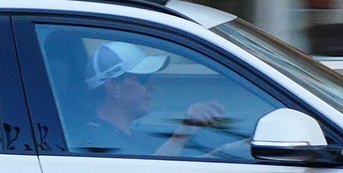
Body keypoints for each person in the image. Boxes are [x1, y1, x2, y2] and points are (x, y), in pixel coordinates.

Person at [73, 40, 231, 157]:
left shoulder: (134, 135)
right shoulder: (95, 141)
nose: (153, 86)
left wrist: (233, 149)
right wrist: (186, 128)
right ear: (113, 87)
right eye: (143, 78)